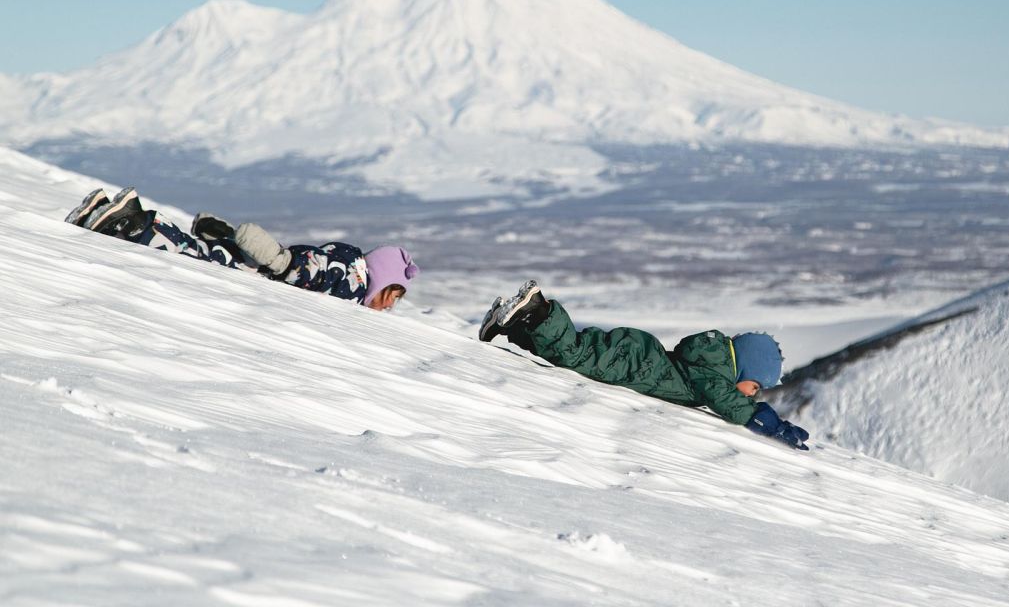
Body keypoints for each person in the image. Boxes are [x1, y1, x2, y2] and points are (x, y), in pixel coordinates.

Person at [478, 280, 809, 450]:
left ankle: (508, 322)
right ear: (744, 370)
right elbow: (727, 401)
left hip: (636, 355)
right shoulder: (714, 375)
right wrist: (768, 423)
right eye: (755, 386)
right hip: (632, 364)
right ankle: (538, 307)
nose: (752, 394)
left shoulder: (711, 363)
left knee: (562, 353)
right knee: (573, 354)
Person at [65, 186, 418, 311]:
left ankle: (105, 211)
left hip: (253, 268)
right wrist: (284, 265)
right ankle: (129, 221)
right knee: (186, 253)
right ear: (384, 285)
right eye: (393, 298)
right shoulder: (352, 283)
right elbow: (309, 270)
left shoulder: (350, 264)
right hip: (257, 272)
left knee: (199, 251)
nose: (388, 308)